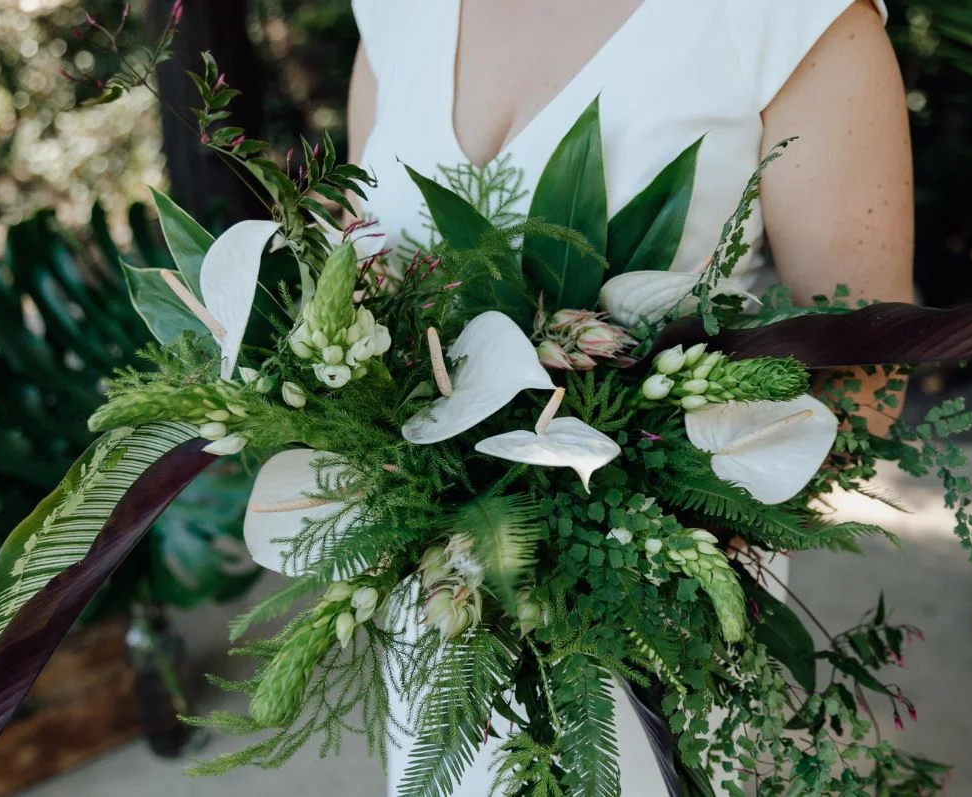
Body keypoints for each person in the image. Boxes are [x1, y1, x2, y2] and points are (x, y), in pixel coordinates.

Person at [345, 1, 911, 793]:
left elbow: (869, 361)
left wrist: (657, 539)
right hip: (434, 583)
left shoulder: (793, 18)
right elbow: (361, 272)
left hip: (648, 589)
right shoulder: (394, 11)